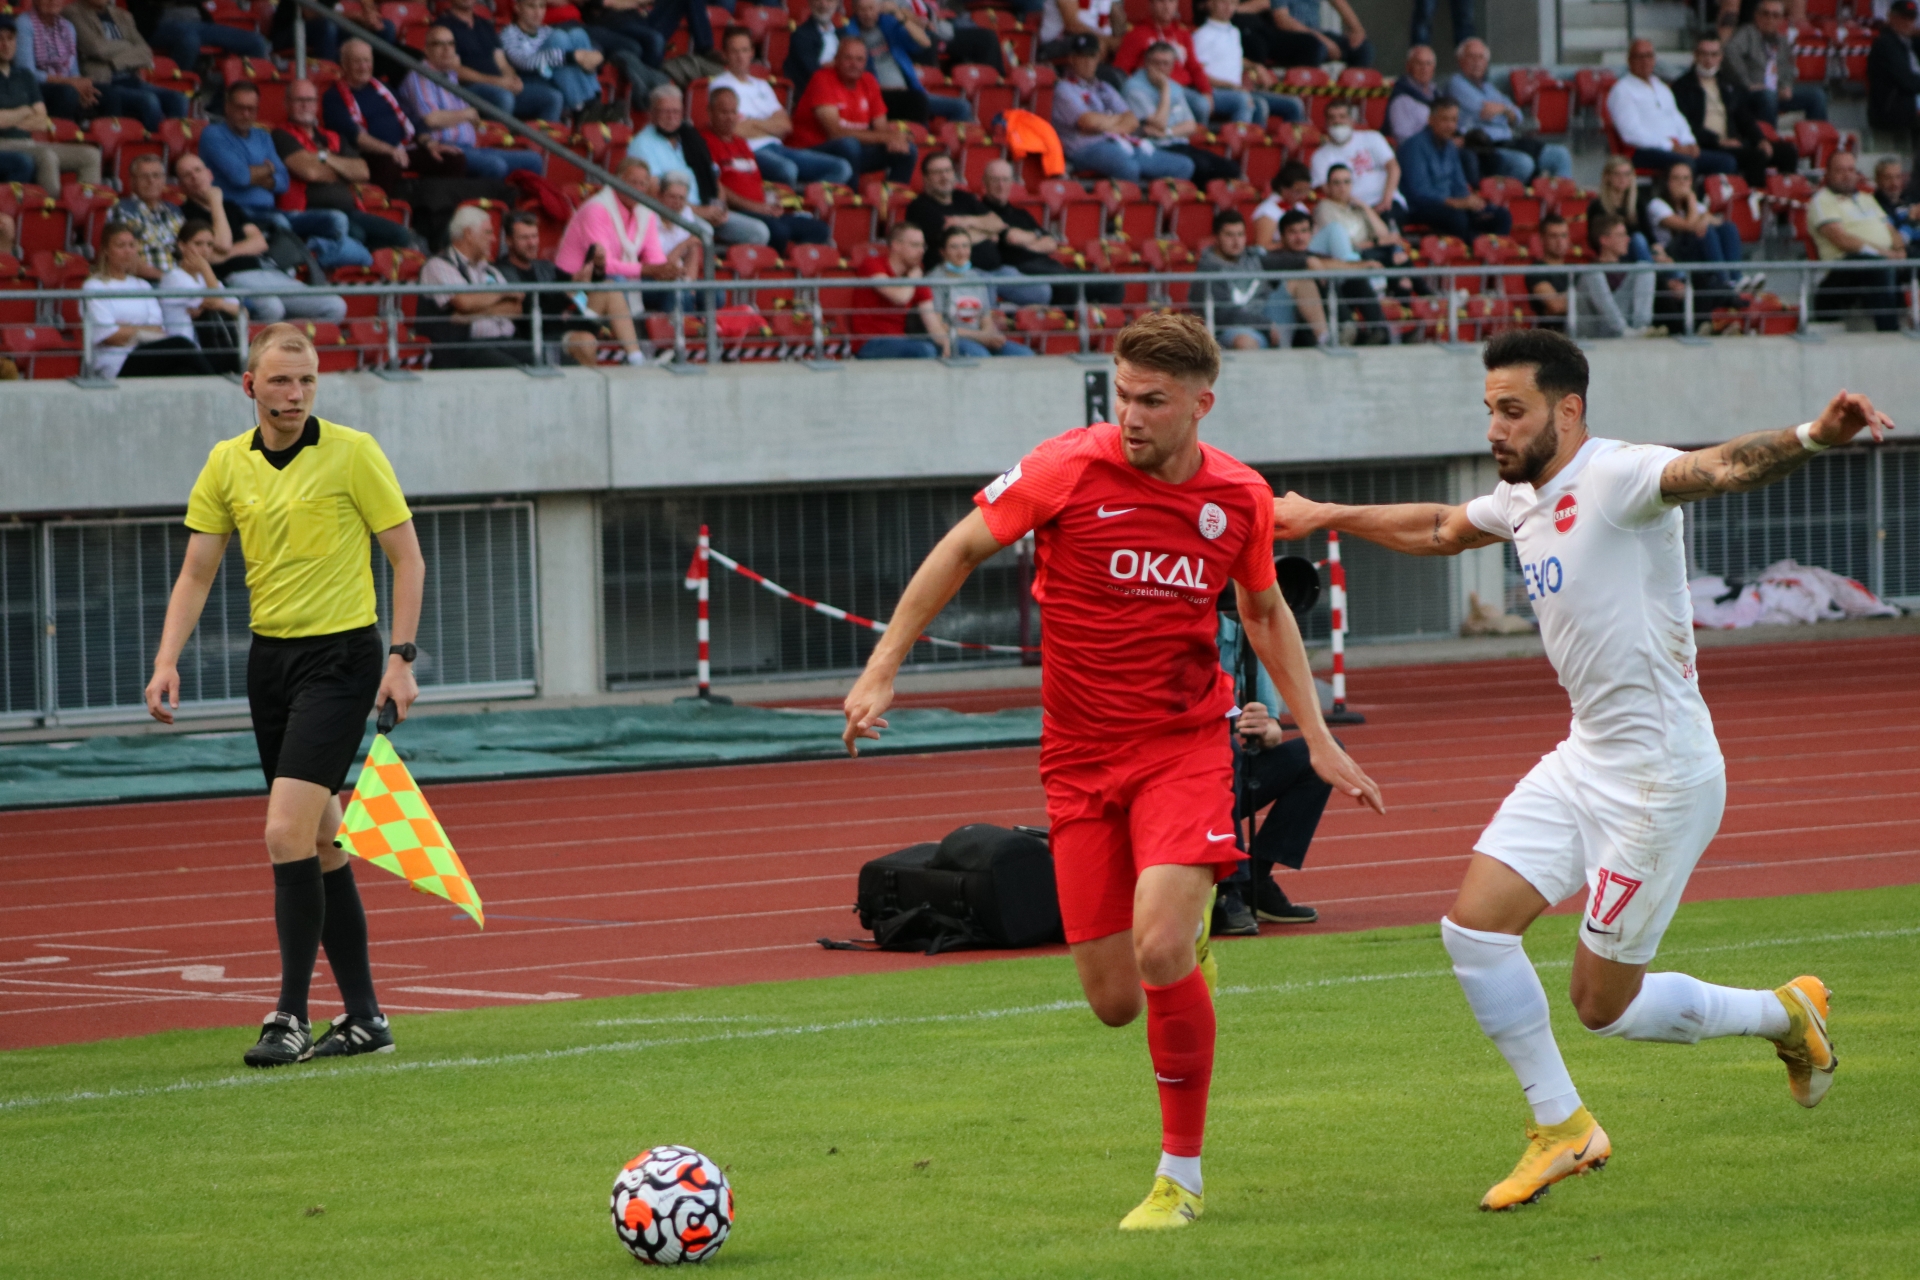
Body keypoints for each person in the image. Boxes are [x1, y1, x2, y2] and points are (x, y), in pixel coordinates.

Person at [1271, 327, 1877, 1212]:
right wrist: (1324, 515)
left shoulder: (1619, 475)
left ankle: (1785, 1014)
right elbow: (1440, 527)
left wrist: (1816, 436)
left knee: (1603, 1007)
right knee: (1474, 932)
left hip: (1659, 781)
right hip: (1585, 756)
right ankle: (1562, 1127)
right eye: (1489, 410)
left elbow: (1719, 468)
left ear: (1568, 409)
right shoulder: (1522, 499)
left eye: (1512, 411)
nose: (1495, 428)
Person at [842, 311, 1382, 1230]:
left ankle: (1180, 1179)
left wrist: (1317, 737)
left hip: (1183, 744)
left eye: (1153, 401)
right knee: (1115, 1003)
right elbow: (961, 548)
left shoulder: (1238, 497)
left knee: (1161, 946)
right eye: (1122, 395)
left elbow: (1263, 613)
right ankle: (1184, 951)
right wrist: (884, 665)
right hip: (1078, 759)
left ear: (1201, 405)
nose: (1130, 415)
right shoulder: (1063, 468)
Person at [146, 322, 427, 1069]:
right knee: (322, 837)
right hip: (269, 664)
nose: (295, 394)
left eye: (306, 381)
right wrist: (167, 659)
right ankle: (365, 1017)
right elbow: (197, 571)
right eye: (279, 380)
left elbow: (408, 558)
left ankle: (290, 1016)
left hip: (343, 660)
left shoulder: (354, 452)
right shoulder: (225, 463)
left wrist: (399, 661)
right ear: (250, 386)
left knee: (282, 833)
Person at [205, 81, 372, 275]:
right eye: (240, 108)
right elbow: (240, 177)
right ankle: (309, 256)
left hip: (271, 210)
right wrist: (268, 170)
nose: (246, 114)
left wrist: (258, 174)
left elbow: (283, 181)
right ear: (227, 107)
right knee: (280, 223)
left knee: (337, 220)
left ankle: (311, 251)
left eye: (252, 109)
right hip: (237, 211)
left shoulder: (262, 136)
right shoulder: (213, 134)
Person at [176, 151, 350, 324]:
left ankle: (292, 338)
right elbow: (223, 244)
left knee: (335, 306)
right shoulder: (185, 214)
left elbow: (259, 243)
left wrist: (225, 255)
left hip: (266, 271)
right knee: (272, 308)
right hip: (232, 277)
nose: (195, 177)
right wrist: (215, 202)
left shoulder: (230, 206)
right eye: (187, 175)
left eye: (198, 170)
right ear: (181, 186)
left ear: (209, 174)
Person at [273, 79, 421, 257]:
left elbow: (363, 172)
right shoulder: (281, 135)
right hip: (309, 212)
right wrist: (344, 172)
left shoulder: (333, 137)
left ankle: (366, 264)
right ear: (286, 103)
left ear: (316, 104)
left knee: (400, 235)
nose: (305, 105)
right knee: (357, 234)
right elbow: (310, 173)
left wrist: (324, 157)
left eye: (310, 100)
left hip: (350, 211)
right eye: (299, 100)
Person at [495, 208, 646, 365]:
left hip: (565, 323)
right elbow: (529, 310)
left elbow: (576, 284)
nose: (532, 243)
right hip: (538, 335)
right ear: (509, 241)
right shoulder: (502, 272)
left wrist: (597, 268)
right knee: (585, 341)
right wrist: (569, 291)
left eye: (534, 236)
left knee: (608, 287)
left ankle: (637, 359)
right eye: (524, 238)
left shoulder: (544, 266)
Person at [712, 24, 853, 189]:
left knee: (842, 168)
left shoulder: (762, 85)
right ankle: (798, 197)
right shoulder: (719, 85)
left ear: (752, 53)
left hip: (777, 147)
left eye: (744, 50)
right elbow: (732, 130)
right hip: (750, 151)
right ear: (725, 55)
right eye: (734, 51)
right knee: (787, 170)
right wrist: (769, 125)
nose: (740, 57)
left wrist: (752, 124)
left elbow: (786, 126)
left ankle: (805, 195)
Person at [555, 156, 700, 315]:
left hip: (622, 278)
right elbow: (603, 265)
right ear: (617, 182)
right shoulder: (596, 209)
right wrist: (649, 270)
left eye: (642, 184)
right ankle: (631, 329)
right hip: (577, 281)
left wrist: (668, 271)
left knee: (678, 288)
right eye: (632, 183)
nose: (637, 189)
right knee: (618, 282)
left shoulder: (646, 213)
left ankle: (674, 330)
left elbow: (655, 259)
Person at [630, 83, 769, 246]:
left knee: (759, 232)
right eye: (665, 111)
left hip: (706, 207)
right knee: (705, 232)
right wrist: (700, 212)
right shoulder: (642, 144)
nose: (671, 117)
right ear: (652, 113)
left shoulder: (688, 136)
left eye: (676, 111)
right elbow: (654, 192)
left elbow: (713, 177)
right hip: (671, 213)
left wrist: (718, 208)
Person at [701, 86, 835, 254]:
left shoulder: (741, 143)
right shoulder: (703, 142)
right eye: (724, 112)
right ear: (710, 112)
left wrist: (770, 203)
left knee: (820, 229)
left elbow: (754, 180)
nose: (730, 118)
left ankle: (796, 264)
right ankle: (775, 266)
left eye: (733, 112)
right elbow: (716, 187)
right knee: (779, 231)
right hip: (737, 212)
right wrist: (755, 207)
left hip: (761, 209)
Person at [404, 29, 547, 182]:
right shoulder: (420, 76)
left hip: (470, 147)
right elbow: (431, 119)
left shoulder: (450, 75)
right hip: (441, 148)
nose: (447, 49)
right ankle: (488, 198)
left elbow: (469, 119)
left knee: (533, 160)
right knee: (495, 165)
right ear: (426, 49)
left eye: (451, 44)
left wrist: (472, 121)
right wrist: (467, 114)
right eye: (439, 44)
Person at [904, 151, 1048, 304]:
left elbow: (997, 223)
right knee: (984, 291)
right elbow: (953, 240)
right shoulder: (920, 207)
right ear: (925, 177)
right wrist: (987, 233)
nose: (944, 176)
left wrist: (967, 221)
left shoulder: (963, 197)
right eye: (937, 172)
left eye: (948, 170)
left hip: (997, 270)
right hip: (960, 274)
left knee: (1042, 292)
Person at [84, 221, 220, 378]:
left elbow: (158, 329)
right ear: (106, 250)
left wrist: (126, 328)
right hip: (117, 362)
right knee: (180, 344)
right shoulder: (94, 286)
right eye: (121, 246)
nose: (128, 251)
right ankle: (217, 383)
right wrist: (141, 330)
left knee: (185, 371)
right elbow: (108, 336)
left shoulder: (142, 285)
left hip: (146, 353)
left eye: (132, 245)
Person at [978, 157, 1122, 306]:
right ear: (984, 182)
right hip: (1020, 269)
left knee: (1112, 285)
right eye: (995, 180)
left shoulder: (1020, 213)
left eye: (1005, 179)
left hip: (1049, 266)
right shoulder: (981, 212)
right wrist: (1035, 238)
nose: (1001, 185)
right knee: (1069, 287)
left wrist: (1028, 242)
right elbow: (1013, 238)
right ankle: (1070, 321)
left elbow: (1051, 243)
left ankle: (1103, 320)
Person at [326, 39, 467, 189]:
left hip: (403, 148)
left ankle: (437, 202)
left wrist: (430, 144)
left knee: (453, 159)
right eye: (357, 61)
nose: (363, 66)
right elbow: (356, 136)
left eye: (367, 60)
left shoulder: (382, 87)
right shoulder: (334, 97)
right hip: (371, 153)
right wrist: (390, 150)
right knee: (388, 164)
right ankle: (387, 203)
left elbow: (410, 118)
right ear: (344, 64)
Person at [1054, 33, 1193, 184]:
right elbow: (1087, 122)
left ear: (1098, 58)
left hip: (1119, 142)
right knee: (1129, 167)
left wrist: (1105, 125)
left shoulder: (1104, 87)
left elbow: (1132, 121)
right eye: (1082, 57)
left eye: (1092, 56)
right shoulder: (1064, 88)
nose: (1088, 62)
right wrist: (1117, 121)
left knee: (1184, 166)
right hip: (1085, 148)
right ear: (1072, 59)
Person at [1672, 35, 1797, 188]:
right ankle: (1754, 200)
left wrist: (1760, 140)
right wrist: (1717, 140)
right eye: (1704, 54)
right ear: (1695, 55)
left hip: (1733, 141)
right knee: (1755, 157)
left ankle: (1787, 197)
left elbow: (1745, 117)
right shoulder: (1682, 87)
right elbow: (1686, 125)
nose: (1709, 59)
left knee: (1787, 152)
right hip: (1707, 145)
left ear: (1721, 57)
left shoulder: (1728, 83)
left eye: (1714, 54)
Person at [790, 37, 917, 185]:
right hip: (811, 152)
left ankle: (894, 195)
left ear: (866, 63)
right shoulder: (822, 78)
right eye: (848, 58)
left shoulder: (869, 81)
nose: (854, 64)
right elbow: (835, 133)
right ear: (836, 60)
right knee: (848, 144)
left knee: (907, 150)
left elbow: (881, 127)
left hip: (852, 151)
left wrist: (894, 139)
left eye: (859, 59)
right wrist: (887, 137)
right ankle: (850, 195)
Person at [1607, 39, 1739, 178]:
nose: (1645, 61)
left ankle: (1709, 192)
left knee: (1726, 162)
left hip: (1673, 148)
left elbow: (1678, 119)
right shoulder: (1622, 90)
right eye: (1640, 57)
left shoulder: (1661, 87)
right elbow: (1631, 134)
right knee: (1685, 164)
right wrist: (1671, 146)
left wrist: (1689, 142)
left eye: (1649, 56)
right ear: (1629, 60)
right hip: (1642, 151)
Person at [1447, 37, 1572, 182]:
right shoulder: (1456, 84)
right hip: (1484, 147)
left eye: (1481, 57)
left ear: (1486, 63)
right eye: (1471, 57)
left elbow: (1517, 116)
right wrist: (1506, 112)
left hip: (1508, 141)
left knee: (1561, 155)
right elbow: (1482, 111)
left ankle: (1560, 195)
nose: (1477, 62)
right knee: (1523, 163)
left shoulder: (1488, 88)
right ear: (1460, 60)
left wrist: (1502, 109)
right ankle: (1508, 196)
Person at [0, 16, 101, 190]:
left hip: (29, 143)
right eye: (0, 39)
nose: (6, 44)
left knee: (90, 155)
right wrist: (25, 111)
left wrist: (10, 117)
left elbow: (41, 121)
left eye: (10, 38)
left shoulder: (25, 76)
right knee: (47, 157)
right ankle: (50, 206)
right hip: (3, 145)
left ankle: (85, 204)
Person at [1809, 150, 1904, 332]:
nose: (1847, 175)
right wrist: (1886, 254)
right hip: (1843, 268)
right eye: (1840, 170)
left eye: (1851, 170)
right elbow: (1842, 240)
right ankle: (1890, 331)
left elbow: (1891, 230)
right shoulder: (1822, 201)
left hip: (1881, 259)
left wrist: (1900, 250)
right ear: (1828, 174)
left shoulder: (1866, 199)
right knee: (1877, 264)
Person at [1123, 41, 1241, 186]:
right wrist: (1165, 89)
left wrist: (1167, 132)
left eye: (1166, 63)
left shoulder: (1175, 87)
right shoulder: (1134, 87)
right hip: (1155, 148)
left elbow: (1190, 125)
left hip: (1177, 142)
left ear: (1173, 66)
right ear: (1146, 63)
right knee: (1201, 166)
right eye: (1156, 63)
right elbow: (1159, 123)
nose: (1161, 68)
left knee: (1232, 168)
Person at [1397, 98, 1512, 241]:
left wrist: (1470, 200)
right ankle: (1473, 249)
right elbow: (1419, 192)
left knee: (1500, 215)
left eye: (1454, 120)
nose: (1450, 125)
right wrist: (1455, 203)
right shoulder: (1414, 146)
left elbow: (1459, 184)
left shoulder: (1451, 147)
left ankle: (1493, 250)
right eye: (1444, 120)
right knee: (1457, 218)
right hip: (1422, 208)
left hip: (1451, 205)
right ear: (1431, 120)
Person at [1269, 206, 1388, 342]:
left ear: (1311, 233)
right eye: (1292, 232)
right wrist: (1358, 266)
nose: (1300, 237)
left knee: (1355, 280)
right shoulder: (1274, 258)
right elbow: (1315, 264)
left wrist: (1362, 266)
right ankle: (1344, 328)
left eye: (1304, 231)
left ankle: (1378, 331)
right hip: (1298, 321)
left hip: (1325, 310)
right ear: (1282, 235)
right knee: (1323, 277)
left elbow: (1329, 264)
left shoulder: (1315, 255)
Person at [842, 0, 971, 126]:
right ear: (855, 11)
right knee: (918, 106)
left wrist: (899, 15)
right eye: (863, 9)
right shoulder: (848, 35)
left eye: (871, 8)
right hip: (880, 98)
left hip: (910, 92)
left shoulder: (889, 24)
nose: (868, 14)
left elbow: (925, 42)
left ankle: (948, 138)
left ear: (878, 8)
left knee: (962, 107)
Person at [66, 0, 187, 129]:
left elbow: (145, 52)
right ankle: (150, 139)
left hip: (131, 79)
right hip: (105, 82)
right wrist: (128, 46)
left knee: (178, 99)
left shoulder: (122, 15)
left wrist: (115, 61)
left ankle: (173, 140)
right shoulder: (73, 13)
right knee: (149, 101)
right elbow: (96, 48)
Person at [443, 0, 564, 122]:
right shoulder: (444, 27)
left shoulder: (484, 24)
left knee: (553, 98)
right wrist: (497, 82)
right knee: (504, 97)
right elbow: (455, 70)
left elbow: (502, 62)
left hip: (499, 85)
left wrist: (512, 80)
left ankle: (545, 134)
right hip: (470, 89)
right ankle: (499, 134)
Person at [1191, 0, 1303, 127]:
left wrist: (1255, 66)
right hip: (1216, 91)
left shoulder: (1234, 32)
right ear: (1210, 4)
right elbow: (1199, 74)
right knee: (1257, 104)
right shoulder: (1202, 35)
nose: (1228, 7)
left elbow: (1232, 58)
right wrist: (1230, 86)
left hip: (1237, 90)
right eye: (1223, 2)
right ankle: (1244, 138)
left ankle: (1295, 138)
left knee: (1293, 104)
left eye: (1233, 3)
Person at [850, 220, 953, 357]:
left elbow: (932, 323)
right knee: (925, 350)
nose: (921, 251)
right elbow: (899, 298)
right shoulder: (873, 264)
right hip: (869, 343)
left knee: (963, 349)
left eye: (923, 245)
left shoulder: (915, 275)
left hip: (900, 341)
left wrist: (947, 343)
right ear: (896, 245)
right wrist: (912, 280)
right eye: (915, 245)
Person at [927, 224, 1034, 355]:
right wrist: (980, 337)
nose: (961, 252)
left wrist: (988, 335)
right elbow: (939, 326)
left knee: (1024, 354)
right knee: (980, 355)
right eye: (954, 247)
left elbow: (986, 319)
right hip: (955, 339)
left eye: (965, 246)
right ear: (942, 252)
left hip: (980, 337)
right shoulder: (935, 280)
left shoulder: (976, 278)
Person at [1646, 160, 1743, 298]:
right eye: (1676, 178)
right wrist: (1691, 197)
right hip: (1671, 254)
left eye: (1686, 178)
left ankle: (1736, 279)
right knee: (1706, 231)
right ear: (1667, 182)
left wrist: (1703, 218)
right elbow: (1690, 226)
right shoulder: (1657, 204)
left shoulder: (1695, 205)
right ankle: (1723, 282)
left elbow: (1718, 222)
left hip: (1694, 251)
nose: (1682, 183)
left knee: (1728, 228)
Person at [159, 218, 244, 371]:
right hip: (185, 353)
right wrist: (205, 268)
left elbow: (242, 311)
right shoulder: (174, 277)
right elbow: (215, 301)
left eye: (209, 245)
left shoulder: (209, 280)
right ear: (182, 246)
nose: (205, 250)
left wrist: (217, 304)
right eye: (198, 244)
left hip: (210, 350)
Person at [1725, 0, 1826, 127]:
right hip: (1752, 92)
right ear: (1757, 16)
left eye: (1775, 15)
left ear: (1781, 19)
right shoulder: (1747, 33)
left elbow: (1788, 67)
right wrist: (1747, 83)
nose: (1770, 19)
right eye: (1765, 14)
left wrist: (1786, 86)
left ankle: (1818, 136)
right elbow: (1730, 52)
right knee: (1769, 96)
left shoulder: (1782, 41)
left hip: (1775, 91)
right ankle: (1769, 137)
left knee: (1817, 96)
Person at [500, 0, 606, 116]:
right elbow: (522, 62)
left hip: (555, 78)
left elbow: (579, 54)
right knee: (558, 38)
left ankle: (594, 100)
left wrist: (594, 55)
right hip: (529, 80)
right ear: (517, 8)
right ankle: (581, 107)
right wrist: (570, 57)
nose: (538, 12)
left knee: (578, 34)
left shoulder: (547, 31)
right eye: (531, 6)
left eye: (542, 6)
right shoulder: (508, 33)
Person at [1197, 208, 1283, 348]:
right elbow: (1224, 315)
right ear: (1216, 238)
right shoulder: (1208, 268)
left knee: (1300, 282)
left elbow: (1291, 261)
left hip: (1266, 320)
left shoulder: (1253, 257)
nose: (1236, 241)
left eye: (1240, 234)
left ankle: (1322, 339)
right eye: (1229, 235)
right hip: (1231, 329)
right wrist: (1265, 325)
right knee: (1244, 342)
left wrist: (1311, 260)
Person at [1115, 0, 1209, 124]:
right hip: (1151, 87)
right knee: (1201, 104)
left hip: (1183, 88)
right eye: (1161, 2)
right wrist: (1138, 89)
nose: (1166, 6)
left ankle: (1199, 134)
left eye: (1171, 2)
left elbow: (1194, 67)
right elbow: (1120, 70)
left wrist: (1206, 90)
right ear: (1151, 5)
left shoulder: (1183, 33)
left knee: (1228, 100)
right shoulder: (1137, 34)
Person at [1311, 99, 1402, 220]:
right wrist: (1364, 209)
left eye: (1342, 116)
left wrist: (1386, 200)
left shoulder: (1372, 138)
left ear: (1351, 120)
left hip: (1386, 202)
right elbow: (1328, 191)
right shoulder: (1320, 156)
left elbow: (1393, 168)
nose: (1337, 121)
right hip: (1351, 210)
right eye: (1332, 117)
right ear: (1326, 122)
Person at [1313, 162, 1410, 268]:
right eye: (1336, 183)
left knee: (1400, 257)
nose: (1342, 187)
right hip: (1346, 261)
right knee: (1392, 261)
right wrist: (1376, 242)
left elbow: (1384, 234)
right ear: (1328, 186)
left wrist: (1365, 206)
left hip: (1368, 255)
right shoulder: (1324, 207)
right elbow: (1342, 247)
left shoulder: (1357, 208)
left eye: (1347, 182)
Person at [1576, 212, 1655, 338]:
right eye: (1620, 235)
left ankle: (1642, 327)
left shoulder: (1628, 268)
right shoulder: (1591, 270)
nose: (1627, 239)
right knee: (1593, 272)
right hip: (1594, 332)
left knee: (1644, 267)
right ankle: (1624, 331)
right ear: (1604, 240)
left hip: (1627, 330)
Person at [20, 0, 95, 124]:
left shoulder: (68, 27)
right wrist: (69, 83)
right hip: (37, 87)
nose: (53, 1)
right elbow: (26, 73)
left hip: (67, 85)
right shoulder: (24, 24)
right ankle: (62, 133)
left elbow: (74, 71)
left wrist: (82, 89)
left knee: (108, 95)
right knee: (67, 93)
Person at [1236, 0, 1370, 70]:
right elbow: (1282, 20)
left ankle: (1343, 103)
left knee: (1363, 49)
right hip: (1289, 35)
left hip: (1315, 32)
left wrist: (1357, 29)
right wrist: (1323, 40)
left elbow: (1339, 2)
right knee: (1315, 47)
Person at [1587, 154, 1658, 262]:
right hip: (1612, 254)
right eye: (1617, 174)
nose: (1622, 179)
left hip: (1638, 253)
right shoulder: (1597, 205)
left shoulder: (1637, 202)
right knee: (1637, 239)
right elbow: (1594, 239)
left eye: (1627, 174)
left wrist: (1658, 249)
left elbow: (1648, 234)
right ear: (1607, 177)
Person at [1866, 0, 1920, 137]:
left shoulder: (1910, 42)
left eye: (1911, 18)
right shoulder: (1886, 44)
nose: (1908, 23)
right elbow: (1907, 81)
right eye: (1903, 18)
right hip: (1892, 109)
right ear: (1891, 18)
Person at [1386, 43, 1441, 145]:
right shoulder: (1401, 98)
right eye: (1419, 63)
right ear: (1408, 66)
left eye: (1428, 63)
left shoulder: (1437, 93)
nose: (1424, 68)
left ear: (1434, 68)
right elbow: (1403, 139)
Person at [1037, 0, 1120, 66]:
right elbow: (1072, 25)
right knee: (1097, 45)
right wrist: (1107, 40)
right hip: (1053, 42)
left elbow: (1119, 21)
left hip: (1081, 36)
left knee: (1121, 43)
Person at [1249, 159, 1311, 247]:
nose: (1303, 196)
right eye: (1298, 191)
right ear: (1283, 188)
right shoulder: (1268, 211)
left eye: (1305, 191)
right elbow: (1261, 246)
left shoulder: (1301, 208)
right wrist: (1291, 244)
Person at [783, 0, 843, 91]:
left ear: (837, 4)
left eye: (829, 0)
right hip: (817, 91)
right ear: (810, 2)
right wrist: (841, 66)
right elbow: (814, 73)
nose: (823, 4)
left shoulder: (844, 34)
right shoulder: (801, 35)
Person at [1527, 212, 1573, 326]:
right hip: (1553, 331)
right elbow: (1556, 306)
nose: (1560, 241)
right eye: (1553, 236)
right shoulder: (1536, 270)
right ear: (1542, 239)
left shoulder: (1574, 268)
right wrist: (1585, 297)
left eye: (1564, 235)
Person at [1872, 156, 1920, 247]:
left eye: (1898, 177)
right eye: (1888, 178)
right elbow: (1898, 243)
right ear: (1877, 180)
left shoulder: (1908, 201)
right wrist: (1911, 220)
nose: (1894, 183)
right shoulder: (1875, 208)